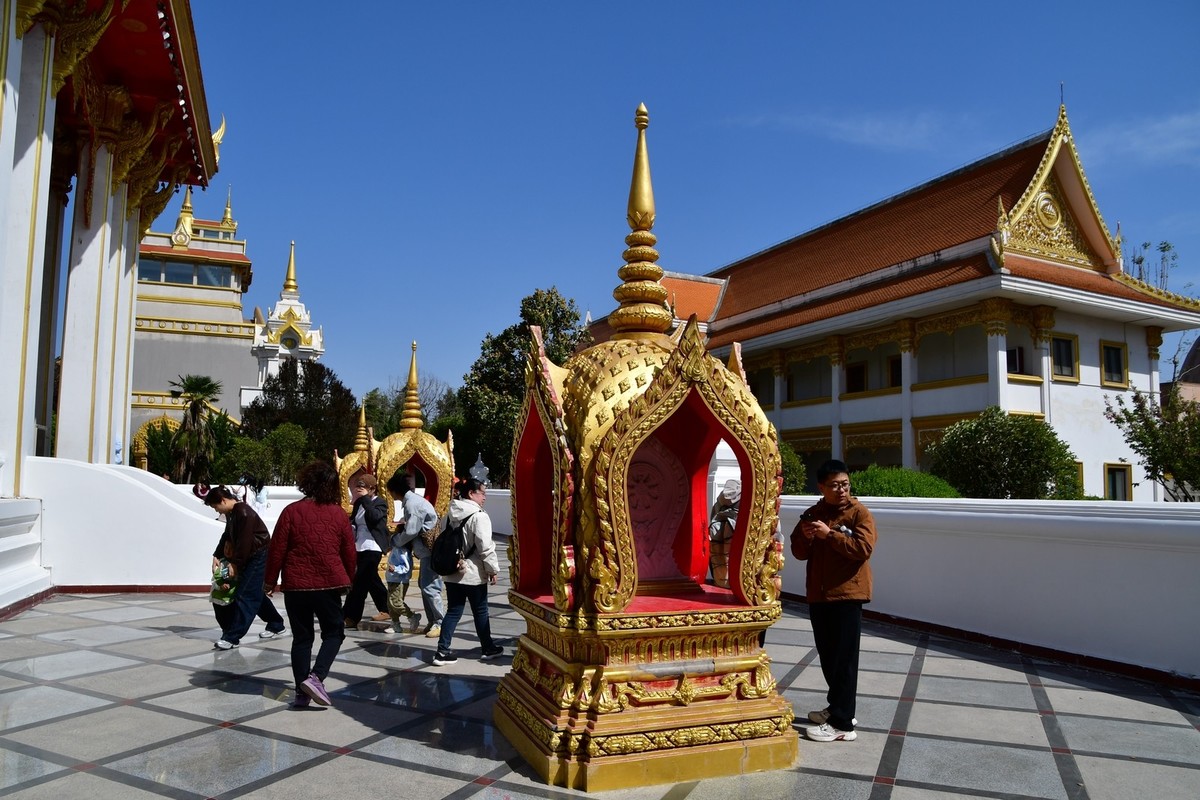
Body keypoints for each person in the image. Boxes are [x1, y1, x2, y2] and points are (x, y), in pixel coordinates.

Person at [790, 459, 877, 742]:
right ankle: (837, 708)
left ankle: (842, 725)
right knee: (829, 657)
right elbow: (799, 552)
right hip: (820, 595)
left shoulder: (858, 514)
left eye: (845, 484)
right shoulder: (813, 513)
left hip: (847, 595)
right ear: (822, 487)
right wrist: (804, 537)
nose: (841, 490)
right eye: (835, 485)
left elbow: (863, 549)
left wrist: (831, 536)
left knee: (845, 660)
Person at [264, 461, 356, 708]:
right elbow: (348, 549)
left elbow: (277, 549)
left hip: (296, 586)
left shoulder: (291, 511)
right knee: (334, 633)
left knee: (302, 639)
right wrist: (349, 577)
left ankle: (301, 692)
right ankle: (316, 677)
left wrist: (269, 581)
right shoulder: (338, 513)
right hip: (328, 585)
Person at [200, 485, 284, 649]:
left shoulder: (243, 512)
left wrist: (235, 563)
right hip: (248, 557)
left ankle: (232, 637)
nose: (218, 511)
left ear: (223, 500)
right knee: (254, 592)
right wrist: (217, 555)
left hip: (258, 556)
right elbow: (227, 536)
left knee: (245, 595)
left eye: (216, 507)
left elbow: (244, 542)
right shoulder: (233, 513)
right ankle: (276, 623)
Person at [432, 478, 503, 665]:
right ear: (471, 493)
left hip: (452, 570)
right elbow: (485, 547)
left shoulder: (449, 515)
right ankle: (487, 647)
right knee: (480, 610)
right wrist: (492, 569)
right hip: (472, 573)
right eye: (482, 493)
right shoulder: (479, 516)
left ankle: (442, 651)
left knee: (454, 611)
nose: (484, 497)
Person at [392, 473, 444, 638]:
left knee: (430, 587)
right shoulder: (412, 501)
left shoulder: (412, 504)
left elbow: (412, 530)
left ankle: (439, 622)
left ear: (394, 491)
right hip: (426, 553)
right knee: (425, 585)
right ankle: (432, 621)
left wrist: (396, 541)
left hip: (429, 552)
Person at [341, 473, 391, 628]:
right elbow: (354, 521)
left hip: (373, 546)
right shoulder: (359, 504)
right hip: (359, 546)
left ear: (372, 489)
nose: (359, 491)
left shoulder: (380, 503)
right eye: (358, 488)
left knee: (359, 583)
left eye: (363, 488)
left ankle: (350, 616)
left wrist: (365, 500)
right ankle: (386, 608)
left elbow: (374, 517)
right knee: (371, 580)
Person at [384, 474, 422, 634]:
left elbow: (406, 568)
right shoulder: (396, 545)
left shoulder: (404, 551)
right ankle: (395, 624)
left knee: (396, 602)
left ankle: (412, 616)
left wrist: (396, 570)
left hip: (400, 579)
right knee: (390, 603)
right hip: (392, 578)